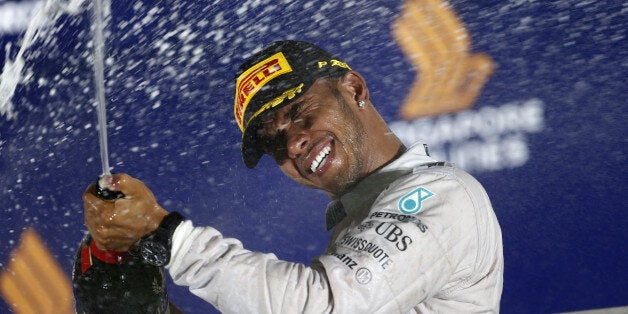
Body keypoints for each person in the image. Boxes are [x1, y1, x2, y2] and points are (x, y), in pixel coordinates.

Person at [76, 40, 503, 313]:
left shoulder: (443, 196)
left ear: (354, 89)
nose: (295, 142)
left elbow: (321, 308)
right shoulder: (360, 219)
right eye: (275, 142)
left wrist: (167, 235)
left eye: (299, 113)